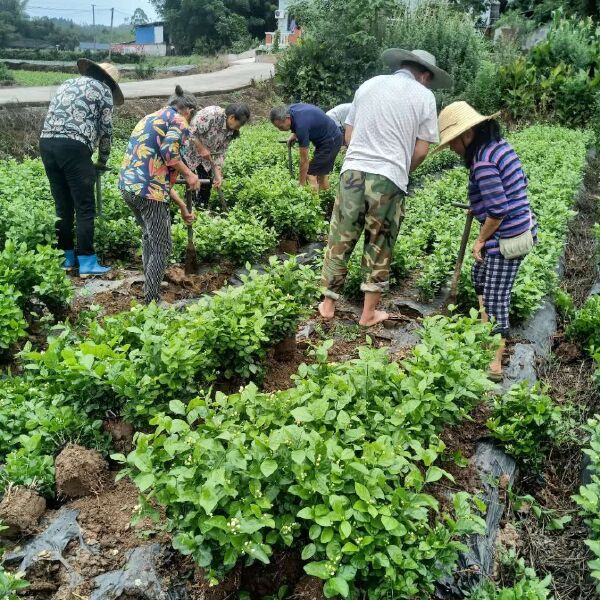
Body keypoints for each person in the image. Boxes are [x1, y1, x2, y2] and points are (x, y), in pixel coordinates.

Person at [319, 49, 452, 327]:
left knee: (340, 237)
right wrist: (402, 170)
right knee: (379, 243)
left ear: (402, 66)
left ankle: (328, 304)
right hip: (388, 176)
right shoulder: (424, 96)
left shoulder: (368, 85)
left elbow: (349, 134)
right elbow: (421, 150)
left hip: (352, 171)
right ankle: (367, 314)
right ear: (425, 75)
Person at [434, 101, 537, 381]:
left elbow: (499, 210)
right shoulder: (498, 147)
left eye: (452, 143)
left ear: (465, 135)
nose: (453, 150)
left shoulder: (482, 162)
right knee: (479, 275)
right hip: (517, 225)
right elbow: (515, 185)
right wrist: (478, 206)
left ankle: (493, 364)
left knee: (495, 298)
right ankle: (484, 329)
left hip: (508, 239)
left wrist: (480, 240)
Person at [40, 59, 123, 277]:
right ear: (110, 82)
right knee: (85, 206)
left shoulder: (67, 83)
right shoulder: (104, 90)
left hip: (47, 144)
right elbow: (106, 131)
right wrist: (102, 161)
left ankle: (66, 258)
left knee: (63, 205)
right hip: (74, 147)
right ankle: (87, 262)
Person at [119, 85, 200, 305]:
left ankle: (150, 284)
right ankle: (151, 301)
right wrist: (190, 174)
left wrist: (183, 206)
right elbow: (169, 154)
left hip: (129, 188)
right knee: (162, 246)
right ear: (189, 110)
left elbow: (157, 171)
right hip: (148, 193)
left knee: (149, 237)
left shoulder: (150, 118)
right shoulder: (179, 121)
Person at [183, 103, 251, 208]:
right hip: (189, 152)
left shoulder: (231, 130)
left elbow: (221, 152)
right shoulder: (211, 114)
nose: (237, 129)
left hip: (206, 159)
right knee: (191, 183)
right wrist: (201, 148)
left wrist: (217, 172)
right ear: (232, 117)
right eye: (238, 125)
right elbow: (189, 131)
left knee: (206, 185)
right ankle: (189, 210)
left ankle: (201, 211)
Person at [270, 103, 343, 192]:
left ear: (287, 118)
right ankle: (325, 199)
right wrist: (294, 135)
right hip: (329, 137)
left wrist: (301, 184)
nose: (280, 130)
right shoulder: (290, 110)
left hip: (331, 141)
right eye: (277, 127)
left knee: (310, 174)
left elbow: (304, 160)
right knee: (321, 173)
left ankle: (314, 204)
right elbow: (305, 121)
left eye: (281, 127)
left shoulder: (301, 127)